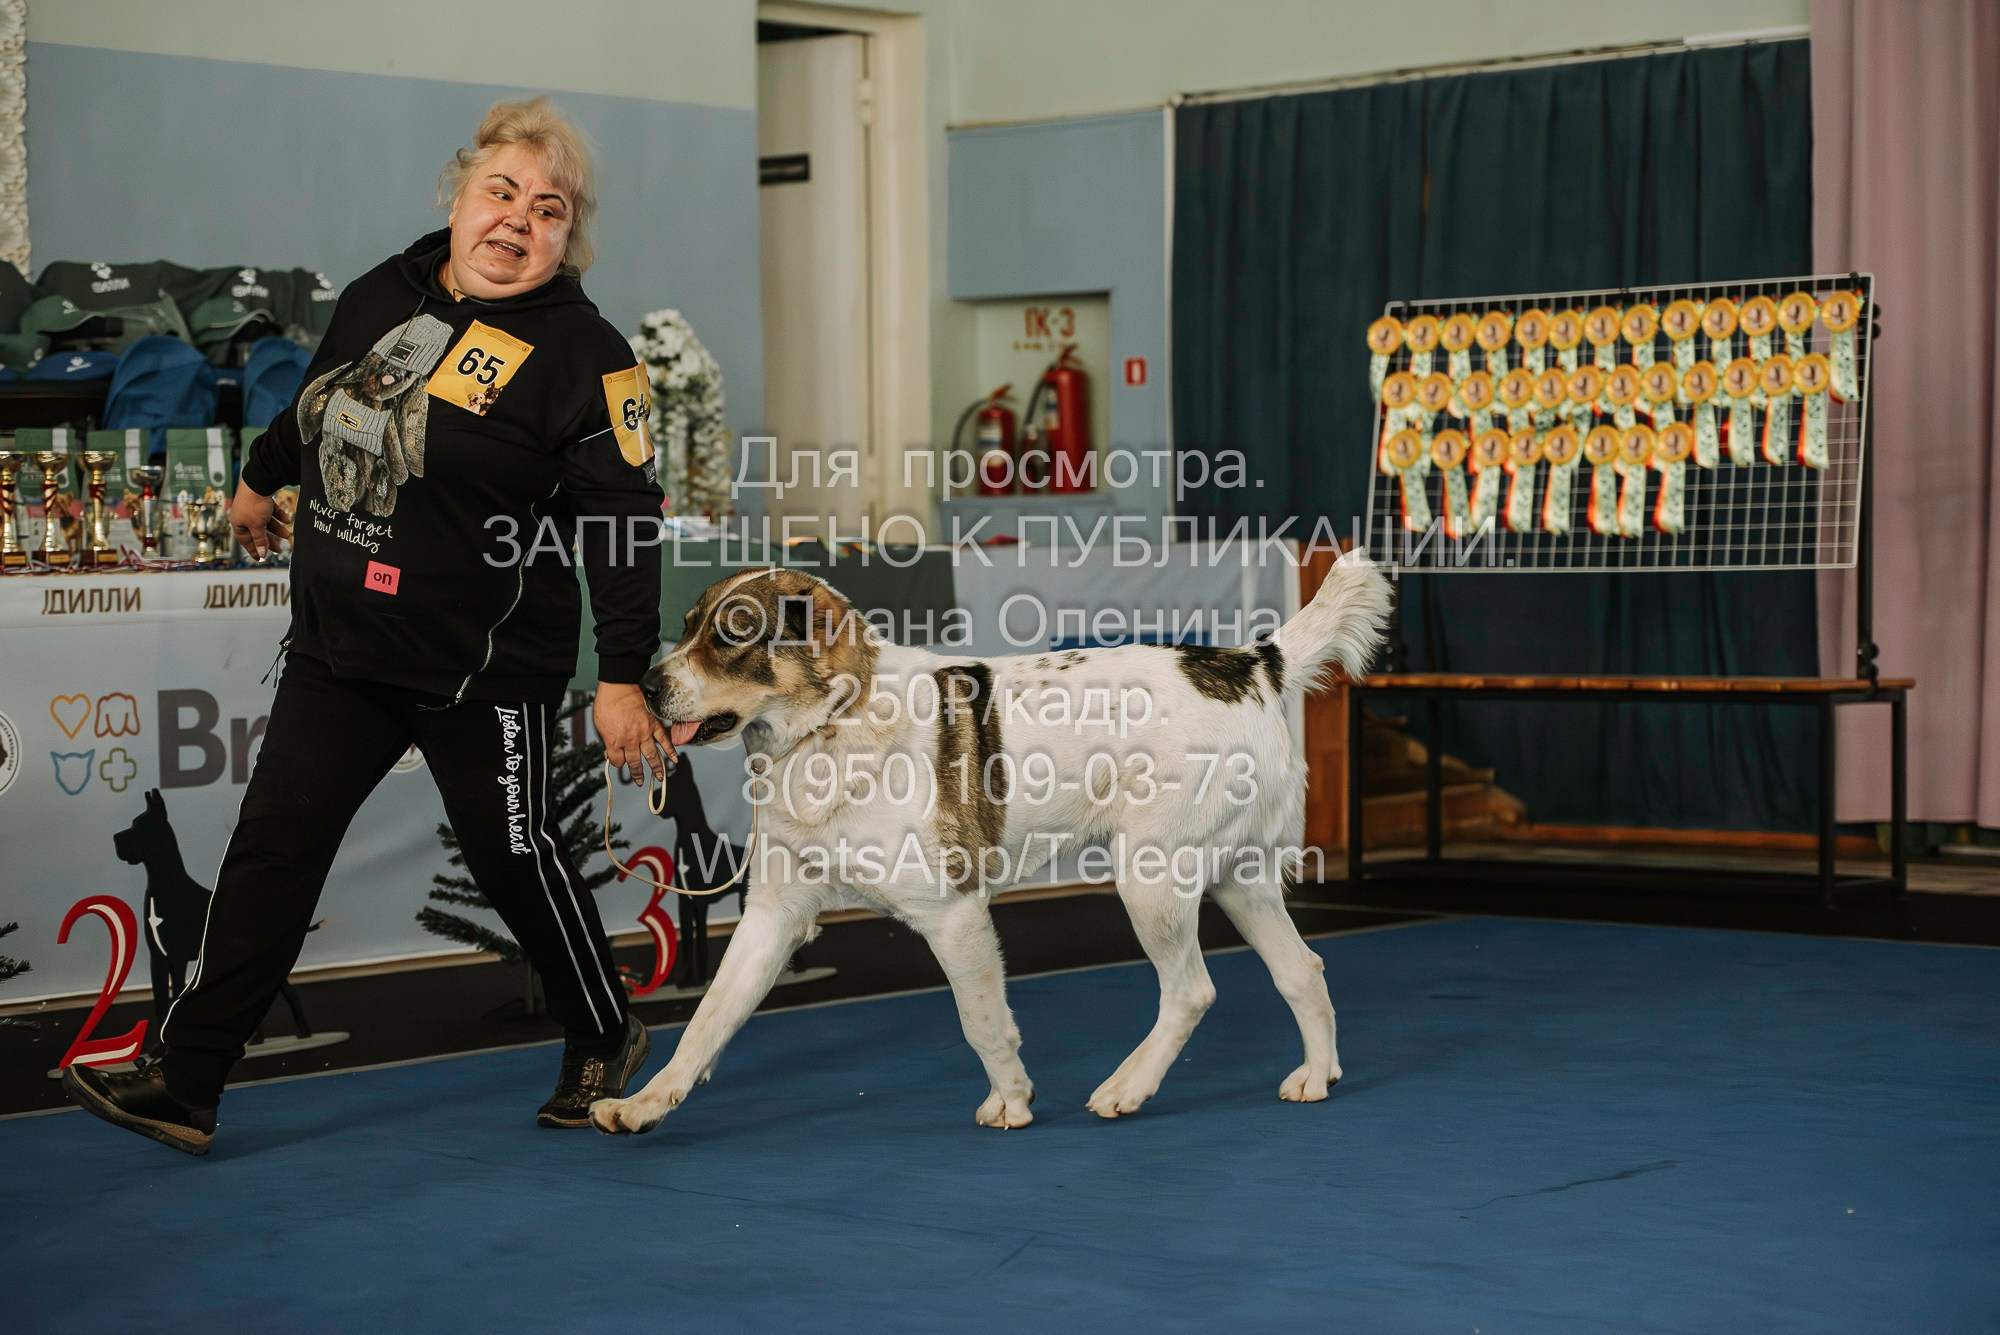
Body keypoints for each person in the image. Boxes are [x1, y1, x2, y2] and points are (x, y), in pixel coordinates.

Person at [63, 97, 676, 1156]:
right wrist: (260, 480)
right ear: (456, 192)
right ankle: (189, 1081)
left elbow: (622, 528)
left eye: (549, 209)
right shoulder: (381, 292)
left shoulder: (588, 355)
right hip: (344, 644)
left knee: (513, 857)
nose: (516, 222)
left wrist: (621, 674)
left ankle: (604, 1025)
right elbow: (324, 399)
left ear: (569, 236)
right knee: (272, 851)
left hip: (481, 667)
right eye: (500, 193)